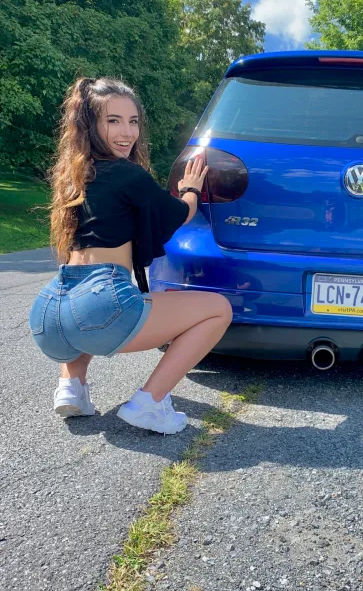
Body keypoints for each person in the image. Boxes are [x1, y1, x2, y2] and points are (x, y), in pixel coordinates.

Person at [28, 77, 232, 434]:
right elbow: (176, 214)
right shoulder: (127, 174)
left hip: (49, 314)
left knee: (89, 310)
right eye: (113, 120)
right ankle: (149, 404)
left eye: (133, 121)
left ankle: (72, 388)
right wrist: (190, 190)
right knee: (219, 309)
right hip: (99, 309)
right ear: (91, 124)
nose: (127, 133)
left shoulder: (75, 174)